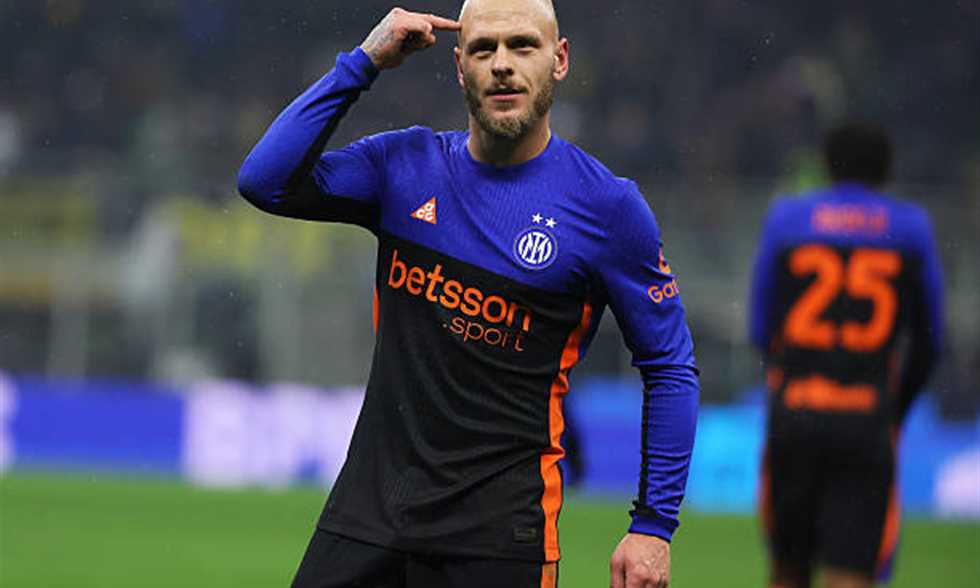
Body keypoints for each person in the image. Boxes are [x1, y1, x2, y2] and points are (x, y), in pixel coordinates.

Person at [238, 1, 699, 586]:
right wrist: (364, 62)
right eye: (484, 49)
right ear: (460, 67)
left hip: (499, 541)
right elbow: (265, 182)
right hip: (368, 518)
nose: (502, 64)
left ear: (559, 60)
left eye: (522, 45)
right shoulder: (404, 166)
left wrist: (654, 526)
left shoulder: (608, 209)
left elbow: (669, 365)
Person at [749, 122, 944, 588]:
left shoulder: (788, 219)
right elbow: (931, 339)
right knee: (852, 572)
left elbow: (759, 327)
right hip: (865, 419)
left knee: (788, 570)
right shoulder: (910, 227)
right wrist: (893, 406)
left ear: (827, 164)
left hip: (796, 414)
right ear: (887, 170)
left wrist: (789, 380)